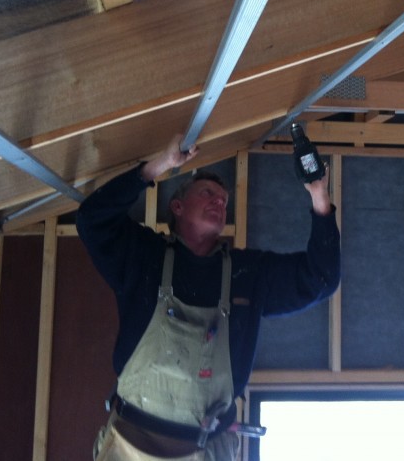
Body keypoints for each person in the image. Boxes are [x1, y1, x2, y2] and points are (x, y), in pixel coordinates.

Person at [77, 134, 340, 461]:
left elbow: (321, 278)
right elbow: (92, 219)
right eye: (208, 194)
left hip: (205, 449)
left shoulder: (248, 274)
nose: (219, 202)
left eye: (224, 201)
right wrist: (162, 163)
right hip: (130, 443)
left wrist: (319, 195)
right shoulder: (145, 256)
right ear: (177, 206)